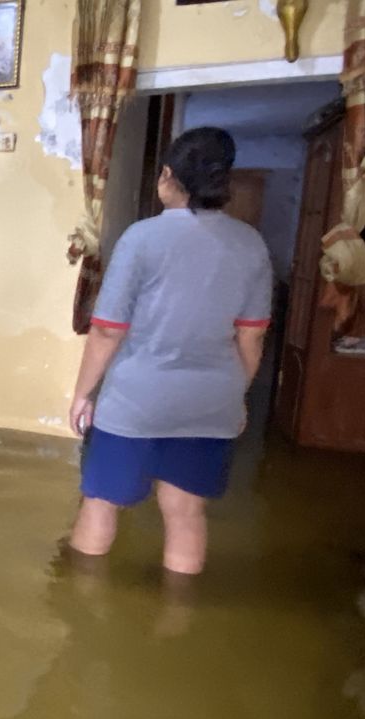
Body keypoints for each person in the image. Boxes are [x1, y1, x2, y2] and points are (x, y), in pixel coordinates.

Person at [67, 127, 272, 576]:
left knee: (101, 503)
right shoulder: (251, 244)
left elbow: (107, 331)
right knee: (185, 514)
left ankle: (78, 612)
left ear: (166, 176)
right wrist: (236, 397)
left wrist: (83, 395)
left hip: (137, 399)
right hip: (211, 401)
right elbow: (251, 338)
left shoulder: (142, 238)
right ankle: (178, 618)